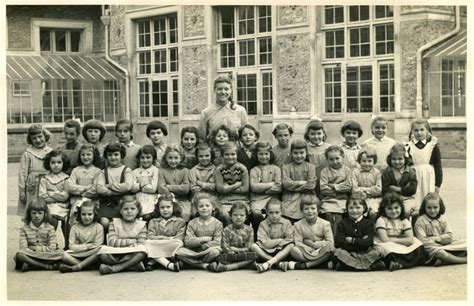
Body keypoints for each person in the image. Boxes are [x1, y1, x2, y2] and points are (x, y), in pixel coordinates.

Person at [375, 193, 428, 271]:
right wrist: (402, 241)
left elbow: (410, 240)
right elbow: (384, 239)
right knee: (384, 249)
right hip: (388, 244)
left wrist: (397, 241)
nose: (393, 211)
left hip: (399, 243)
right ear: (384, 209)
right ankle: (398, 263)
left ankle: (399, 264)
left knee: (418, 245)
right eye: (389, 208)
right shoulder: (381, 220)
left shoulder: (404, 220)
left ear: (401, 208)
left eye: (396, 208)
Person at [279, 198, 334, 271]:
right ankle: (318, 264)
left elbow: (330, 242)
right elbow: (298, 242)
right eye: (306, 209)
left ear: (318, 211)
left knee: (330, 248)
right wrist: (308, 248)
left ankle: (305, 265)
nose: (310, 211)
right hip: (305, 251)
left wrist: (314, 245)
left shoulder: (325, 224)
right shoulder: (298, 225)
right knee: (293, 249)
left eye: (313, 208)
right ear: (302, 211)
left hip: (320, 251)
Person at [97, 195, 148, 274]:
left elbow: (141, 243)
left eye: (132, 208)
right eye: (125, 209)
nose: (129, 211)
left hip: (132, 253)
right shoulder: (114, 222)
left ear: (138, 210)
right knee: (102, 253)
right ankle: (132, 266)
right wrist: (131, 241)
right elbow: (112, 242)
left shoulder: (141, 224)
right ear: (120, 210)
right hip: (116, 253)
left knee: (142, 252)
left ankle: (115, 268)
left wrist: (122, 242)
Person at [414, 193, 467, 266]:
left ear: (440, 207)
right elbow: (424, 241)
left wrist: (436, 238)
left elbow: (450, 236)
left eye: (435, 207)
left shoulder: (443, 219)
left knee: (466, 243)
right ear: (424, 208)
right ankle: (463, 260)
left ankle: (444, 260)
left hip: (446, 244)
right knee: (441, 253)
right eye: (429, 208)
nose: (432, 211)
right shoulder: (420, 221)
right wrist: (442, 241)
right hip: (431, 248)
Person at [332, 198, 385, 271]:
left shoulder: (368, 223)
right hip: (349, 252)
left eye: (358, 207)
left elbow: (368, 242)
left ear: (364, 208)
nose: (354, 211)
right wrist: (361, 241)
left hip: (365, 252)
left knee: (379, 250)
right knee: (338, 252)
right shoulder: (342, 223)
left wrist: (352, 240)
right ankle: (368, 266)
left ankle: (349, 266)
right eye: (351, 208)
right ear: (346, 209)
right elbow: (339, 242)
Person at [176, 193, 223, 270]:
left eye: (207, 206)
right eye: (201, 206)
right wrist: (204, 239)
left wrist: (204, 246)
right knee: (178, 252)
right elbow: (188, 241)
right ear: (197, 209)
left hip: (208, 251)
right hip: (193, 251)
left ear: (213, 207)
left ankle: (191, 264)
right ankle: (203, 265)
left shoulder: (217, 223)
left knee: (216, 252)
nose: (204, 208)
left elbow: (217, 241)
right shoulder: (192, 223)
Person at [14, 199, 62, 272]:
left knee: (62, 255)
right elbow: (23, 247)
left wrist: (38, 249)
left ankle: (31, 266)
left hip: (46, 255)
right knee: (20, 255)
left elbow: (52, 247)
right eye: (34, 213)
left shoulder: (50, 228)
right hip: (31, 255)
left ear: (45, 214)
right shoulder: (24, 229)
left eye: (40, 213)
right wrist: (32, 251)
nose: (37, 216)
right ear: (29, 214)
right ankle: (46, 267)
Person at [96, 143, 134, 232]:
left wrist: (110, 186)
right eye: (110, 155)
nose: (113, 157)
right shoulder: (103, 172)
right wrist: (112, 192)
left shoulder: (126, 170)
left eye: (116, 154)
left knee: (122, 222)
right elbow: (100, 188)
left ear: (121, 155)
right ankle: (106, 241)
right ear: (106, 156)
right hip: (107, 203)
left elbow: (127, 186)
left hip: (123, 202)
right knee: (104, 222)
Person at [198, 74, 249, 141]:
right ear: (214, 90)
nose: (223, 92)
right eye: (219, 89)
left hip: (235, 150)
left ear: (231, 91)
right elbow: (202, 139)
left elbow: (246, 135)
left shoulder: (240, 110)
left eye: (226, 89)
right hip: (214, 150)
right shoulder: (206, 112)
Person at [405, 118, 443, 206]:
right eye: (416, 130)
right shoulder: (407, 146)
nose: (419, 133)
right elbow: (405, 166)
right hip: (414, 177)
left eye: (422, 130)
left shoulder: (433, 146)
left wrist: (438, 184)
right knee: (414, 202)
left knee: (428, 201)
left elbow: (438, 166)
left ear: (427, 130)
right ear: (412, 131)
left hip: (429, 177)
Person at [210, 202, 256, 272]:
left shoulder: (249, 230)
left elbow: (249, 247)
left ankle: (229, 267)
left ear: (246, 217)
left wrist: (236, 250)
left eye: (242, 215)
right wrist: (231, 252)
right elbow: (225, 246)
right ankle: (243, 265)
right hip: (230, 255)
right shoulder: (226, 230)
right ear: (230, 216)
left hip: (244, 255)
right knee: (219, 257)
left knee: (255, 256)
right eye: (235, 215)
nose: (238, 217)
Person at [250, 199, 294, 273]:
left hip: (281, 251)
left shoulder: (287, 223)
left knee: (291, 245)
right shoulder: (263, 224)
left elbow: (289, 239)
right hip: (266, 251)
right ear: (266, 212)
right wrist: (279, 240)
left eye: (277, 212)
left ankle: (268, 263)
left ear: (281, 212)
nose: (274, 216)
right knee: (253, 246)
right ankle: (277, 263)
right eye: (271, 213)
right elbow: (264, 243)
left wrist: (274, 243)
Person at [17, 124, 53, 217]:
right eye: (34, 138)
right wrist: (22, 191)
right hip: (32, 185)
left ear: (45, 136)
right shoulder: (27, 153)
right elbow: (22, 173)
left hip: (46, 184)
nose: (38, 140)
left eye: (40, 136)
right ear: (30, 140)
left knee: (46, 211)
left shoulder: (50, 152)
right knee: (32, 210)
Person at [60, 200, 104, 272]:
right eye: (83, 214)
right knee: (64, 255)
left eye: (90, 214)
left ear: (94, 214)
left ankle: (77, 267)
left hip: (92, 254)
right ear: (79, 214)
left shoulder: (98, 227)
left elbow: (97, 245)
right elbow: (71, 246)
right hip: (79, 253)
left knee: (101, 249)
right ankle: (87, 266)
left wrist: (81, 247)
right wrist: (87, 246)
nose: (86, 217)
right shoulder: (74, 227)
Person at [145, 195, 186, 272]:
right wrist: (167, 238)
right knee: (146, 243)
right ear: (158, 209)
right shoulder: (153, 221)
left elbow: (179, 237)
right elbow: (150, 236)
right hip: (158, 243)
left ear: (173, 207)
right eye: (162, 207)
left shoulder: (180, 221)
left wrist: (160, 238)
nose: (165, 210)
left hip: (171, 244)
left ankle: (155, 260)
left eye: (168, 207)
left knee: (179, 243)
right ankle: (168, 264)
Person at [249, 141, 282, 238]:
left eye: (266, 154)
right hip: (257, 198)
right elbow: (253, 187)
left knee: (273, 212)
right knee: (256, 213)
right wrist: (271, 184)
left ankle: (271, 235)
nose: (264, 157)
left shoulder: (276, 169)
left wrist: (263, 189)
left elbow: (279, 187)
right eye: (261, 154)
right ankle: (258, 235)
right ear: (256, 155)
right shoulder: (254, 170)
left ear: (270, 154)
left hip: (272, 197)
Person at [39, 149, 70, 246]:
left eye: (59, 162)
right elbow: (42, 196)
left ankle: (68, 244)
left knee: (67, 222)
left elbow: (65, 196)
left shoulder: (66, 178)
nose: (56, 165)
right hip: (50, 207)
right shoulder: (45, 179)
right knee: (52, 220)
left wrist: (51, 193)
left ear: (63, 163)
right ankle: (51, 243)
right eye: (53, 162)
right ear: (49, 164)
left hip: (64, 207)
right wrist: (58, 195)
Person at [281, 139, 317, 223]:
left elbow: (311, 185)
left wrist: (293, 186)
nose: (298, 155)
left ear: (306, 153)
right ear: (291, 153)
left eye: (301, 153)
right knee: (288, 216)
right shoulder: (286, 167)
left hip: (307, 196)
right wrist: (301, 182)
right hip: (289, 198)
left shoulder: (311, 167)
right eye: (295, 153)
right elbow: (285, 184)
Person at [66, 143, 102, 225]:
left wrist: (80, 192)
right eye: (83, 155)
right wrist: (85, 188)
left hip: (92, 201)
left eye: (88, 154)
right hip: (77, 201)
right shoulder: (76, 170)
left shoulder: (98, 171)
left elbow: (95, 189)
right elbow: (70, 186)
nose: (86, 157)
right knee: (74, 218)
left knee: (92, 219)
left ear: (94, 155)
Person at [319, 145, 352, 234]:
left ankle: (337, 239)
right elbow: (323, 189)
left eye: (337, 158)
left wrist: (333, 186)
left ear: (342, 157)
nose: (335, 162)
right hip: (329, 199)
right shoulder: (324, 171)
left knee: (338, 217)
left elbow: (348, 186)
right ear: (327, 160)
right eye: (331, 159)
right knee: (328, 215)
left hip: (342, 200)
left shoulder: (347, 170)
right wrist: (339, 192)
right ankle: (330, 238)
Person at [381, 143, 418, 218]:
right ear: (389, 159)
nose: (397, 162)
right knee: (388, 211)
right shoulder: (386, 172)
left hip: (407, 199)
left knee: (406, 211)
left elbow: (412, 190)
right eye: (394, 159)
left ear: (405, 159)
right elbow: (385, 189)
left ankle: (406, 227)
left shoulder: (410, 172)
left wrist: (398, 189)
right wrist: (398, 194)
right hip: (390, 199)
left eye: (400, 159)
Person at [214, 141, 250, 216]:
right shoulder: (219, 169)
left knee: (241, 214)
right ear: (222, 156)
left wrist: (227, 188)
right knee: (224, 215)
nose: (230, 157)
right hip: (224, 200)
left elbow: (245, 189)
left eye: (233, 154)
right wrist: (237, 185)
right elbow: (220, 189)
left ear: (237, 155)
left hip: (242, 199)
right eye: (227, 154)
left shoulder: (243, 168)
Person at [157, 144, 191, 221]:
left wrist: (169, 187)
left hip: (183, 200)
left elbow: (186, 189)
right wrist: (172, 198)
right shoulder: (162, 171)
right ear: (166, 158)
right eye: (170, 158)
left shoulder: (185, 171)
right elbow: (161, 188)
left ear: (181, 158)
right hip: (168, 200)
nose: (173, 161)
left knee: (185, 214)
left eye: (176, 158)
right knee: (167, 212)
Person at [351, 146, 382, 220]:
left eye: (369, 161)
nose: (367, 164)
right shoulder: (355, 172)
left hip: (374, 199)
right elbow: (354, 190)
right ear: (359, 161)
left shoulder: (377, 173)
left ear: (374, 161)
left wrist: (364, 190)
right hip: (359, 199)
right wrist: (371, 190)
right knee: (358, 213)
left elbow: (379, 189)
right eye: (364, 161)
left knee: (373, 213)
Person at [130, 145, 160, 222]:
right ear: (139, 159)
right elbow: (132, 188)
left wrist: (138, 187)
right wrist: (143, 184)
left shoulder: (156, 171)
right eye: (142, 158)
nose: (145, 160)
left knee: (148, 215)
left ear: (153, 158)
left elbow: (153, 188)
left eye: (148, 157)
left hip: (151, 198)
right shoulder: (135, 172)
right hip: (138, 198)